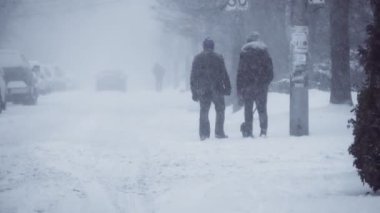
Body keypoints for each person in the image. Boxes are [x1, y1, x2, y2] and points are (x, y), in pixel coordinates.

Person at [191, 38, 231, 141]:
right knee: (220, 110)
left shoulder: (197, 58)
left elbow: (193, 77)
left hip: (203, 89)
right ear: (213, 46)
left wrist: (194, 91)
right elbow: (224, 73)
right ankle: (219, 132)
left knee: (204, 111)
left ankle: (204, 134)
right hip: (217, 88)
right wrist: (227, 86)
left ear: (203, 46)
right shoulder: (218, 58)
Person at [237, 32, 274, 138]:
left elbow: (240, 72)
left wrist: (240, 89)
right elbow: (270, 71)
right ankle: (263, 130)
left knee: (248, 108)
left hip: (247, 86)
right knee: (262, 108)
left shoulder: (244, 53)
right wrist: (265, 82)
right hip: (261, 86)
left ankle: (248, 130)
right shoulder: (264, 52)